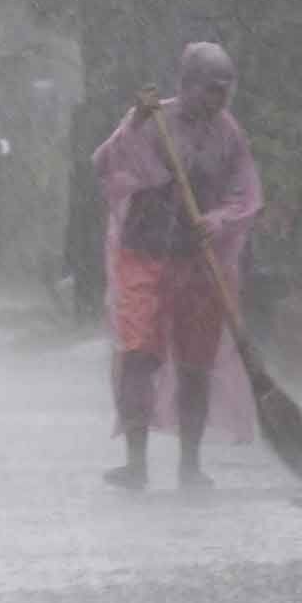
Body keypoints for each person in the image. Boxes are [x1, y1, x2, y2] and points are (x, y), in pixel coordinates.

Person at [92, 42, 264, 490]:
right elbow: (104, 163)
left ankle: (190, 464)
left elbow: (246, 194)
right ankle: (136, 463)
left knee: (195, 364)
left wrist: (219, 219)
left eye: (226, 89)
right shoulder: (153, 122)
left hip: (199, 261)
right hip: (144, 254)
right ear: (185, 85)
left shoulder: (229, 134)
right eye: (211, 89)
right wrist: (134, 124)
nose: (219, 99)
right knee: (138, 355)